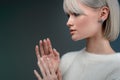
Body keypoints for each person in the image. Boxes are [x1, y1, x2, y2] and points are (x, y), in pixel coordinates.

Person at [34, 0, 120, 80]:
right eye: (68, 15)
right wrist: (53, 73)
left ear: (103, 14)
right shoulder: (66, 60)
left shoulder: (117, 65)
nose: (68, 22)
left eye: (76, 14)